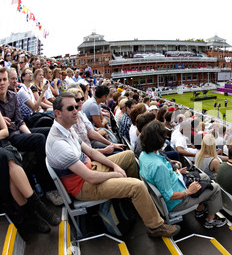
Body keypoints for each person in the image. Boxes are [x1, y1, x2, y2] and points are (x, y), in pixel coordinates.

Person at [45, 92, 180, 237]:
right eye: (71, 108)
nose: (76, 111)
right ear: (58, 113)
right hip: (83, 186)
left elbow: (91, 152)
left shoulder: (67, 128)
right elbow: (91, 178)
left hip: (90, 169)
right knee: (137, 186)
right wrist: (116, 174)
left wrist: (115, 166)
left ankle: (140, 201)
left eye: (76, 107)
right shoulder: (59, 143)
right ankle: (155, 226)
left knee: (128, 156)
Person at [139, 121, 226, 229]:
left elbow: (160, 177)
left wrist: (175, 173)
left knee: (204, 177)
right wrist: (188, 192)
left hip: (176, 184)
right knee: (215, 187)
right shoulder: (158, 166)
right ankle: (210, 220)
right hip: (177, 202)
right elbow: (169, 195)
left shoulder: (144, 155)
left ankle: (200, 209)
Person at [0, 111, 60, 236]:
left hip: (3, 144)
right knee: (6, 156)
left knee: (8, 160)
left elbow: (5, 131)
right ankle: (38, 207)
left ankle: (32, 215)